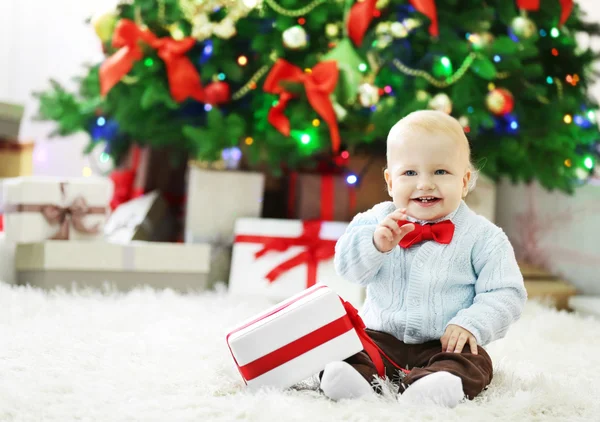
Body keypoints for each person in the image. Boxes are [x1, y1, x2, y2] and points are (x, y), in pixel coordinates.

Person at [320, 110, 527, 407]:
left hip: (444, 344)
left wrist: (470, 323)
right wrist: (375, 245)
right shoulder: (376, 221)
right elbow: (346, 266)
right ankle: (354, 380)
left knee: (475, 362)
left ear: (465, 180)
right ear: (391, 182)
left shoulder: (484, 237)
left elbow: (506, 293)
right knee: (343, 348)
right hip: (381, 337)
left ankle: (434, 385)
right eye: (410, 173)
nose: (425, 184)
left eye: (440, 172)